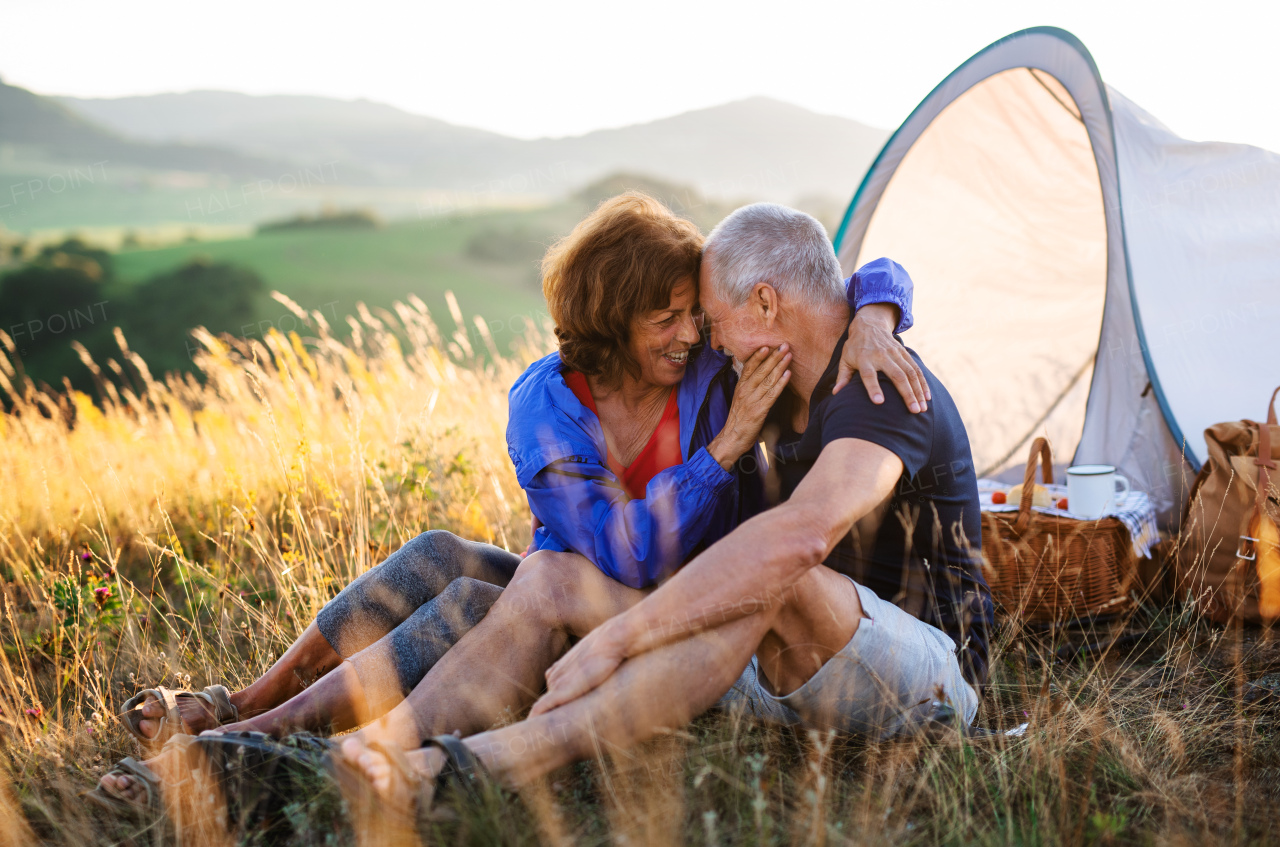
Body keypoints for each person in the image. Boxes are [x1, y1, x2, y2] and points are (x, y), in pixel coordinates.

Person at [98, 194, 923, 806]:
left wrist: (877, 311)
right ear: (610, 320)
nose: (688, 332)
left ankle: (262, 741)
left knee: (469, 599)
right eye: (664, 317)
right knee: (440, 554)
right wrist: (724, 450)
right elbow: (615, 548)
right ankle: (246, 701)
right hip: (603, 573)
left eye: (691, 314)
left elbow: (819, 272)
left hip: (670, 590)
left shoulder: (709, 365)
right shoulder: (548, 404)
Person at [336, 201, 994, 808]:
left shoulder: (879, 389)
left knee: (777, 573)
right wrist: (879, 302)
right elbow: (851, 276)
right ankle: (379, 743)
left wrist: (621, 637)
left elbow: (802, 536)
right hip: (772, 654)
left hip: (927, 677)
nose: (707, 339)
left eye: (712, 319)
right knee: (548, 575)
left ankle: (474, 767)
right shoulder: (761, 379)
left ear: (764, 302)